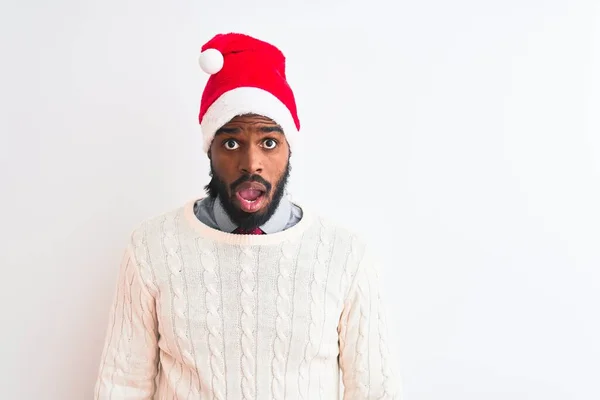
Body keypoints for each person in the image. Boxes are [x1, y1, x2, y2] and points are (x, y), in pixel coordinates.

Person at [94, 32, 398, 399]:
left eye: (269, 142)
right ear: (210, 149)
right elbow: (122, 385)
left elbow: (376, 390)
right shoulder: (152, 246)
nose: (250, 163)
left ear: (289, 150)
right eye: (231, 142)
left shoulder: (346, 254)